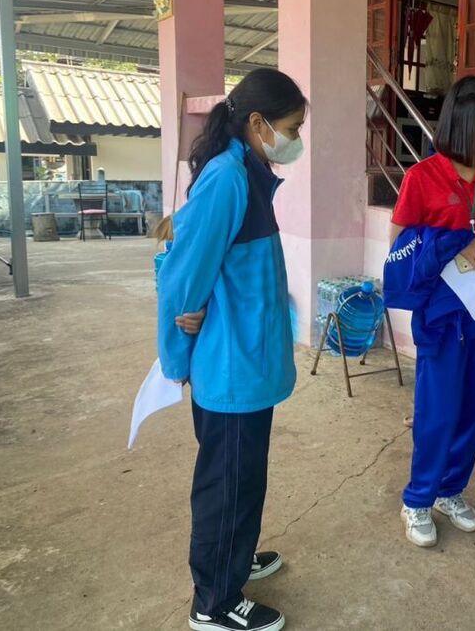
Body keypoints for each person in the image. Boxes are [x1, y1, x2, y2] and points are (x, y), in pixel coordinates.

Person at [157, 68, 307, 631]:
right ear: (257, 122)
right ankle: (214, 599)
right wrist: (176, 357)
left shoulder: (250, 170)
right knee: (227, 484)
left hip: (250, 360)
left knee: (245, 477)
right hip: (230, 369)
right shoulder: (226, 178)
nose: (295, 138)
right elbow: (182, 273)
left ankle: (235, 558)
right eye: (291, 127)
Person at [389, 76, 475, 547]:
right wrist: (454, 245)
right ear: (459, 120)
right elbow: (400, 248)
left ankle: (451, 490)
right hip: (443, 314)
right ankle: (418, 499)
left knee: (474, 406)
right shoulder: (422, 177)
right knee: (437, 409)